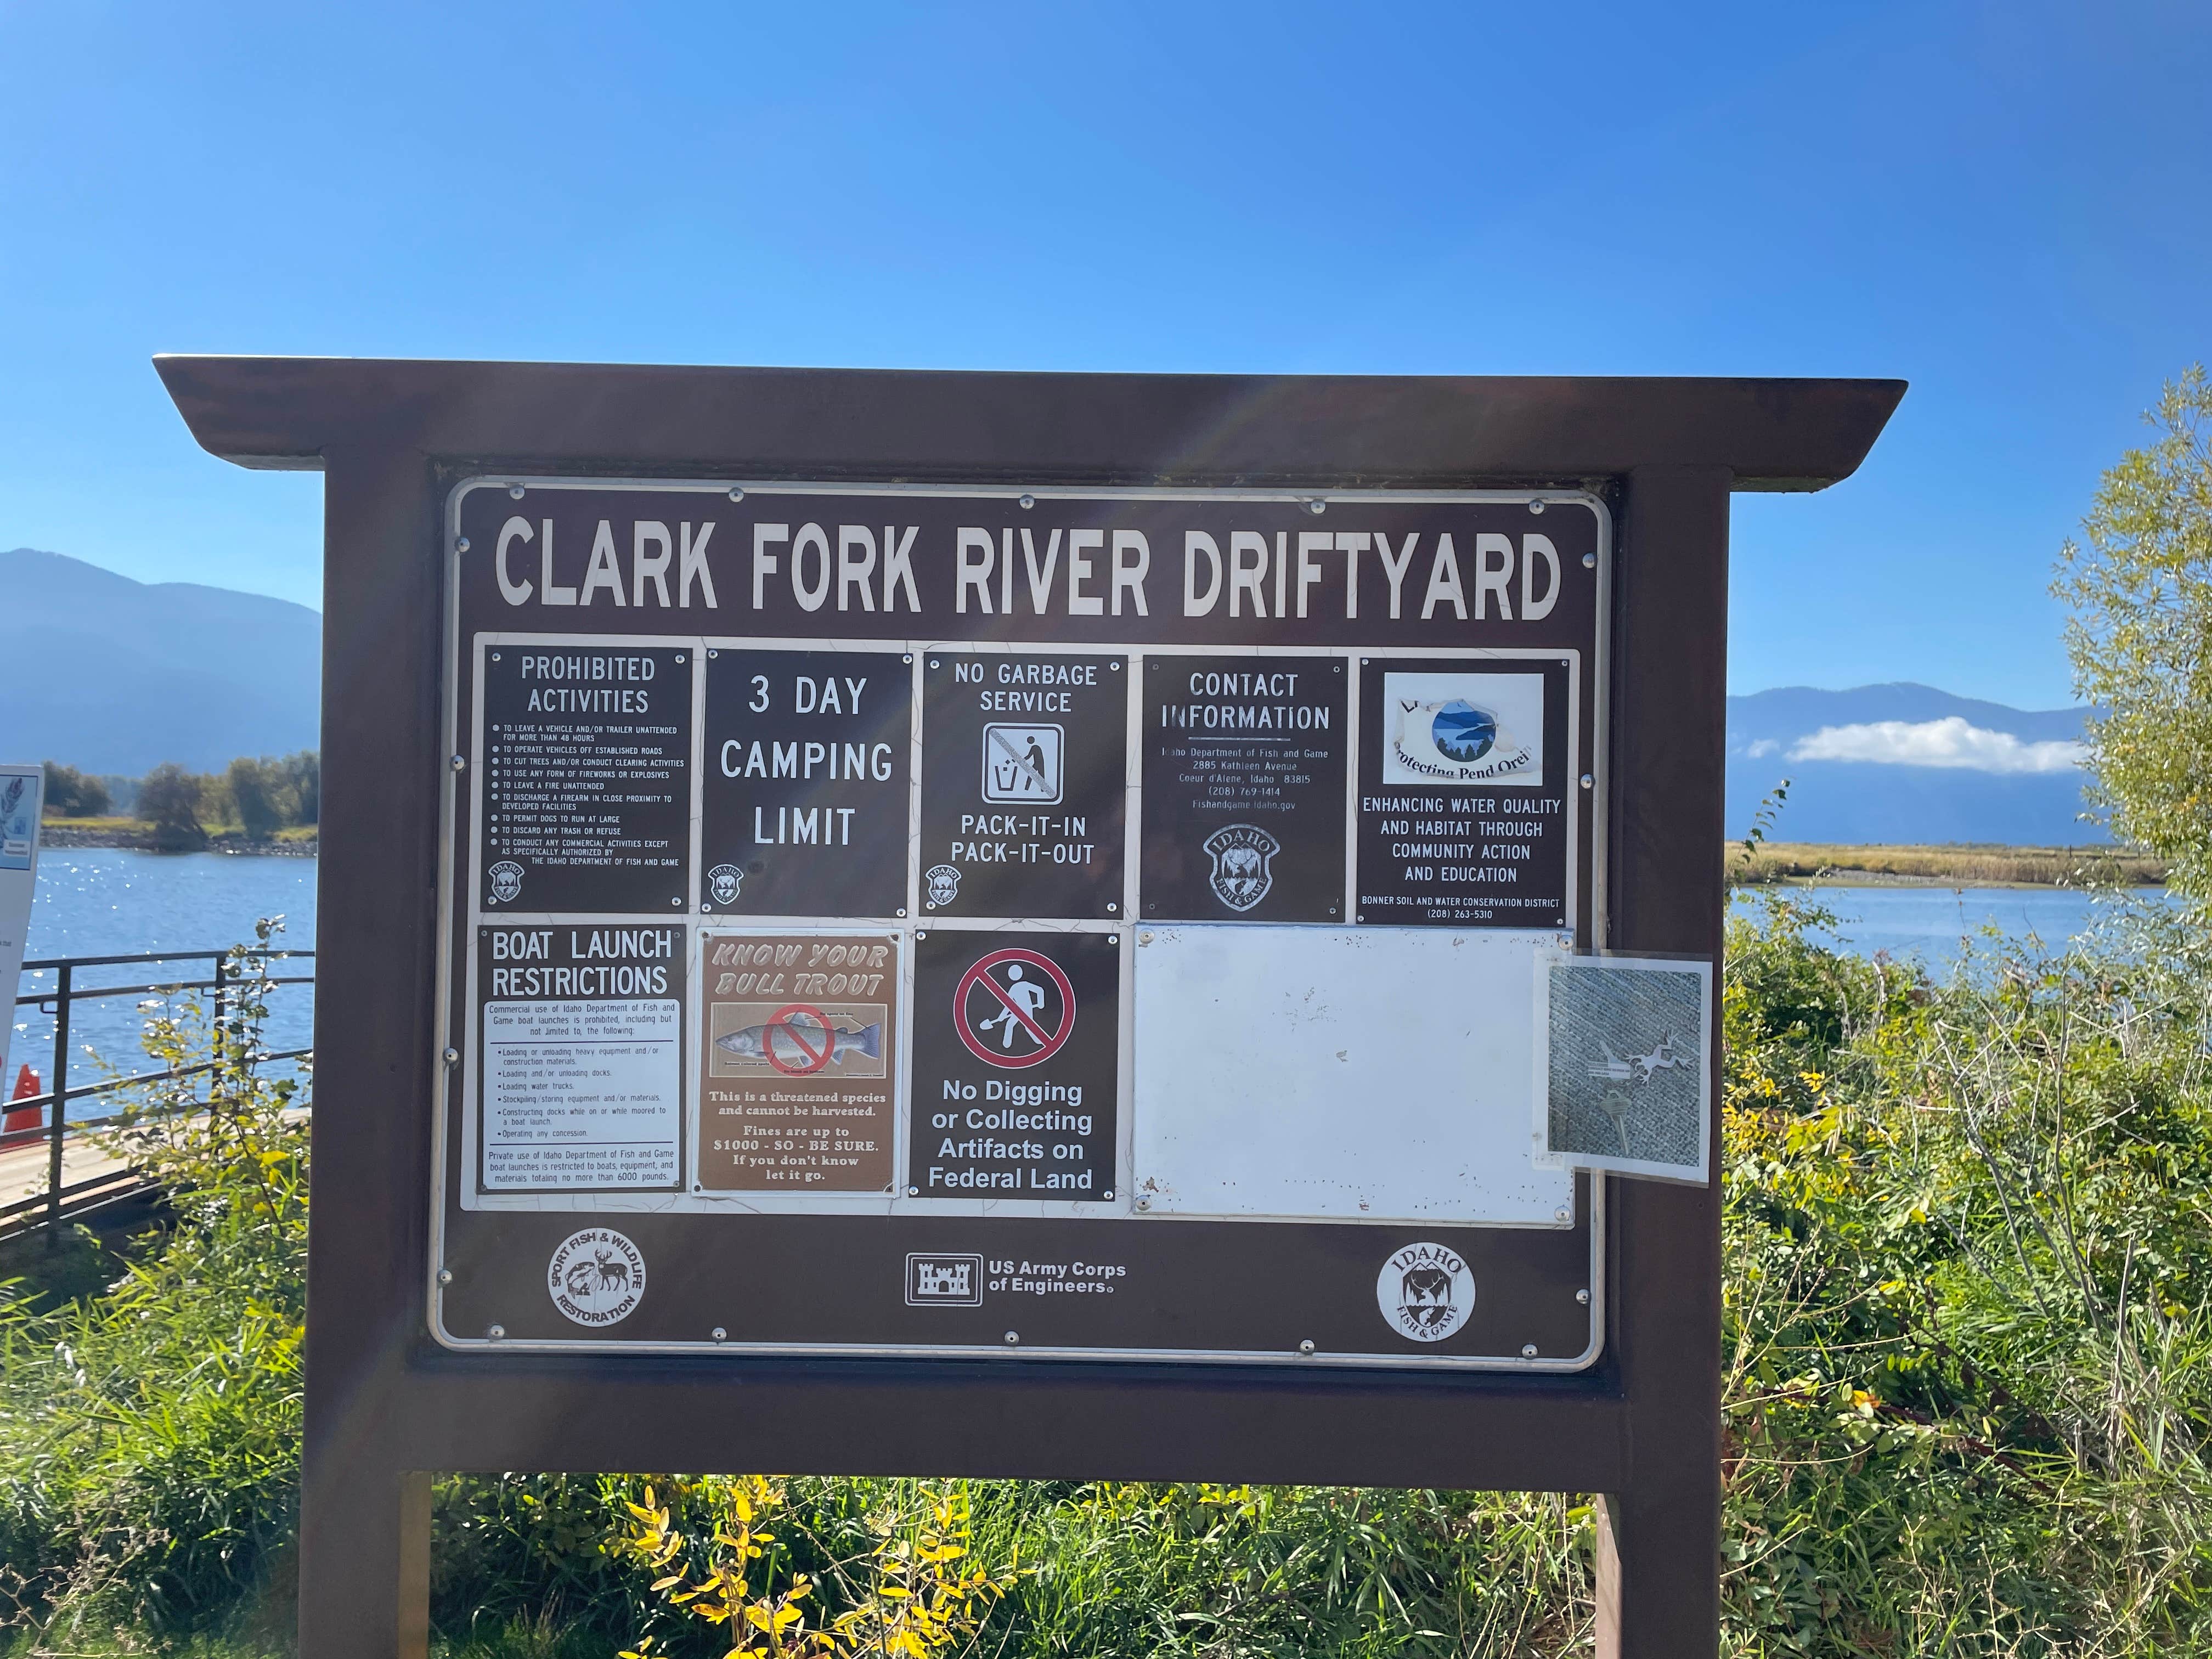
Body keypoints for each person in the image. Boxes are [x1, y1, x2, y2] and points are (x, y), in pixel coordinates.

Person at [976, 963, 1048, 1049]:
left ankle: (1042, 1041)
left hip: (1027, 1009)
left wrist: (1041, 1003)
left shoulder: (1022, 985)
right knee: (1010, 1024)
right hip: (1017, 1011)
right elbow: (1009, 1005)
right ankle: (1006, 1045)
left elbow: (1039, 990)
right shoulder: (1015, 988)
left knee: (1028, 1027)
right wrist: (1002, 1016)